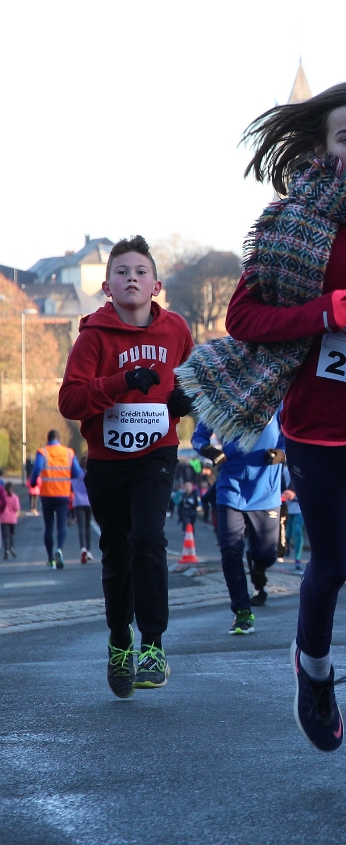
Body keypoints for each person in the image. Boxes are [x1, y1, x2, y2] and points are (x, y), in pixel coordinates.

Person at [176, 82, 346, 787]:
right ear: (322, 148)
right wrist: (328, 311)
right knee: (329, 564)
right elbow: (245, 320)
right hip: (315, 423)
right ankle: (314, 670)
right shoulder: (291, 222)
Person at [58, 235, 195, 698]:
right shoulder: (93, 337)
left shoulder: (176, 330)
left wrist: (183, 400)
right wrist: (120, 383)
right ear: (106, 287)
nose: (131, 278)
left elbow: (190, 377)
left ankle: (153, 644)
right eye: (121, 272)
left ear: (156, 285)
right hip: (107, 461)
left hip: (157, 453)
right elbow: (70, 401)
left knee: (148, 538)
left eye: (141, 272)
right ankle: (120, 640)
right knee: (117, 553)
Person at [193, 413, 287, 634]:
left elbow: (294, 432)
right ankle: (242, 611)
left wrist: (283, 453)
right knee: (230, 550)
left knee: (266, 556)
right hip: (230, 489)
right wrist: (208, 450)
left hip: (266, 492)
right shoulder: (223, 401)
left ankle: (258, 563)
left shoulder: (276, 402)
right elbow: (198, 437)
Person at [29, 430, 83, 569]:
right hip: (63, 494)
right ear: (59, 439)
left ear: (48, 439)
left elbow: (37, 469)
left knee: (48, 527)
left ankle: (50, 559)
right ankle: (59, 549)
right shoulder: (68, 452)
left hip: (47, 495)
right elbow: (77, 472)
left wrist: (33, 482)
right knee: (61, 526)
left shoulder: (42, 452)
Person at [70, 459, 96, 563]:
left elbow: (70, 486)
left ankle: (82, 549)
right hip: (89, 502)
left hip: (78, 502)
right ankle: (89, 551)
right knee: (88, 527)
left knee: (81, 527)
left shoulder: (75, 474)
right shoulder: (90, 473)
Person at [2, 482, 19, 559]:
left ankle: (6, 550)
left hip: (4, 518)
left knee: (5, 536)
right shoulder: (15, 497)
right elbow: (17, 508)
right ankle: (12, 547)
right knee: (11, 534)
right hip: (12, 519)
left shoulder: (3, 497)